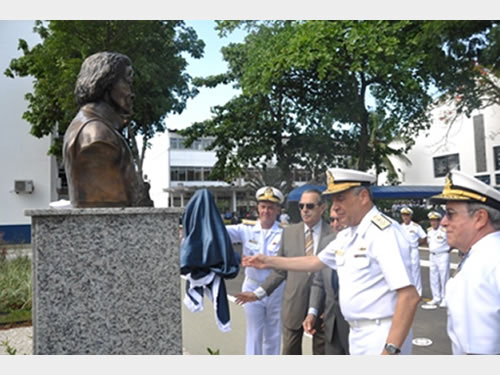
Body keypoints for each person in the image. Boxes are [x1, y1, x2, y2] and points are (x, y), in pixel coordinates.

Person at [243, 168, 420, 355]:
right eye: (333, 200)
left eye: (340, 199)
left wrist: (390, 350)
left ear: (363, 196)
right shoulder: (348, 234)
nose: (334, 207)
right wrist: (268, 261)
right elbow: (315, 262)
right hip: (357, 333)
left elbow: (409, 296)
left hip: (382, 334)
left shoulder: (384, 233)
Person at [235, 189, 331, 355]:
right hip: (293, 305)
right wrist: (257, 294)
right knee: (287, 353)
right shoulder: (289, 233)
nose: (304, 210)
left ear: (322, 208)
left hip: (324, 309)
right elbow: (280, 272)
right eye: (301, 206)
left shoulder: (335, 234)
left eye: (310, 206)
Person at [63, 51, 152, 208]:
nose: (132, 94)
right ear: (104, 83)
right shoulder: (97, 136)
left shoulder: (90, 126)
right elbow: (110, 207)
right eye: (127, 82)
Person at [430, 170, 500, 354]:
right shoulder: (487, 255)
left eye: (450, 214)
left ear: (480, 218)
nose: (443, 222)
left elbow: (479, 351)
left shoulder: (481, 267)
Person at [225, 186, 285, 355]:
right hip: (251, 287)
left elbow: (286, 262)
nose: (267, 211)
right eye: (263, 206)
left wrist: (267, 264)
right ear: (257, 208)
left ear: (278, 210)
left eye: (271, 207)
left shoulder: (284, 233)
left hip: (276, 290)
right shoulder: (246, 229)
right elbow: (218, 232)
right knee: (254, 334)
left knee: (273, 335)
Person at [303, 207, 350, 355]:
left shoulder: (363, 243)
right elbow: (319, 281)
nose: (335, 224)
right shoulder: (326, 242)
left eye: (339, 219)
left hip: (354, 326)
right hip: (331, 323)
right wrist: (312, 312)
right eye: (332, 220)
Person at [424, 211, 450, 307]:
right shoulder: (429, 231)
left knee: (444, 278)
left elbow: (451, 242)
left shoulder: (444, 231)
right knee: (433, 277)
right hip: (432, 256)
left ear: (439, 221)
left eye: (435, 221)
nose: (433, 223)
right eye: (431, 221)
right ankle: (436, 297)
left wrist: (447, 250)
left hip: (443, 255)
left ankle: (445, 298)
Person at [399, 206, 426, 296]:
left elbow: (423, 237)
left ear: (410, 216)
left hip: (413, 250)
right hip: (404, 251)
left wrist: (417, 244)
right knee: (406, 271)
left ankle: (418, 292)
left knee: (415, 272)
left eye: (407, 215)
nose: (405, 217)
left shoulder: (416, 227)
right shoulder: (400, 227)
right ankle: (408, 292)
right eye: (403, 215)